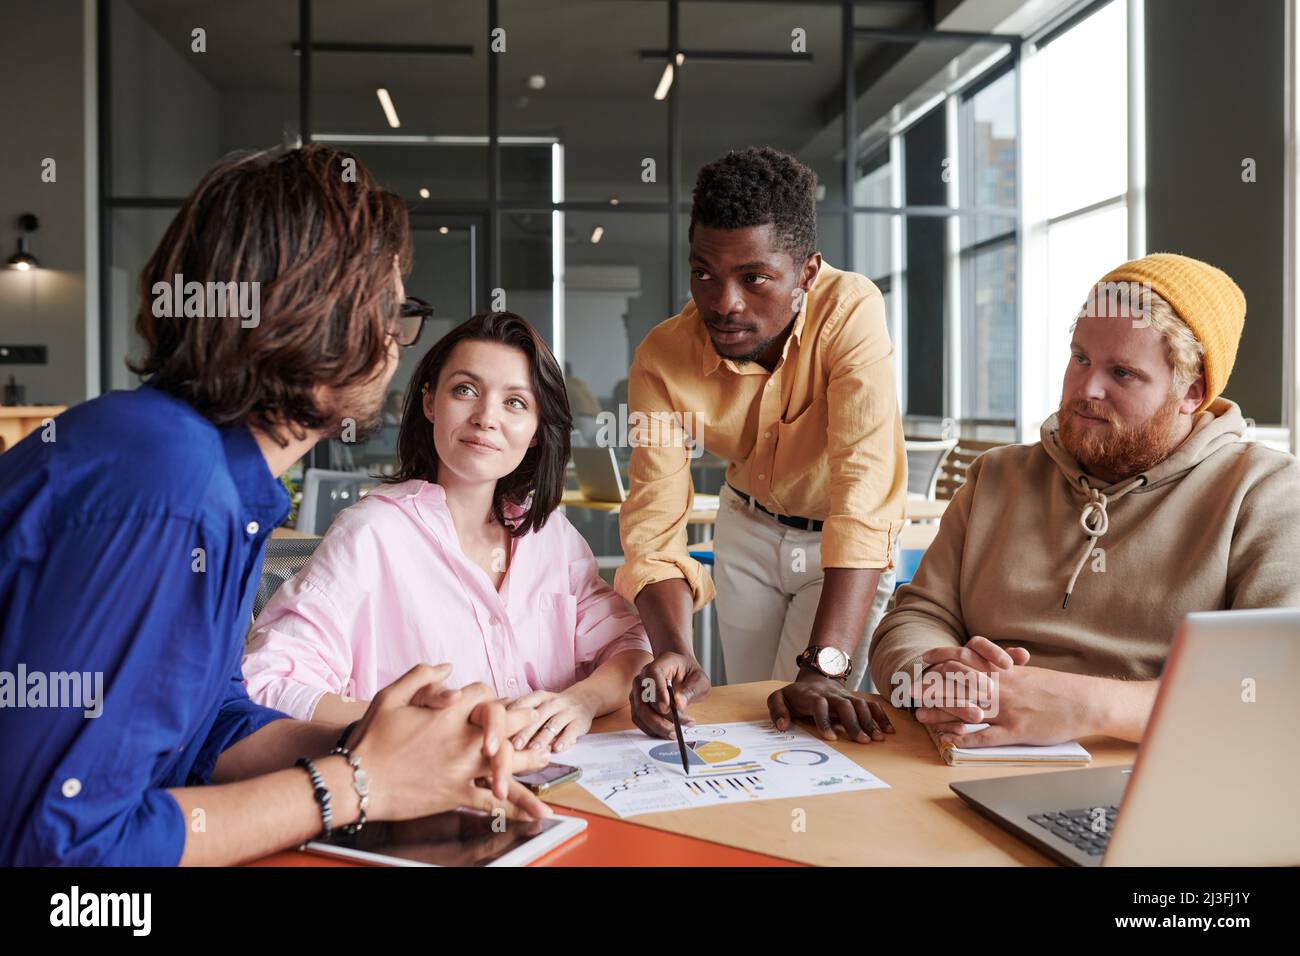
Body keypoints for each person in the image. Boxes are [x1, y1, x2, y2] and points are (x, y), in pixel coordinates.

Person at [0, 145, 548, 867]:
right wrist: (358, 783)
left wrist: (381, 746)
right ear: (319, 314)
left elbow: (207, 728)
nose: (396, 341)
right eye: (390, 309)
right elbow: (57, 850)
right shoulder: (167, 491)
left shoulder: (207, 473)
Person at [870, 253, 1300, 746]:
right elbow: (915, 617)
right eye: (1080, 359)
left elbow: (1274, 687)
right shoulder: (996, 476)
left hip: (1144, 775)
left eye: (1122, 373)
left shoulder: (1265, 492)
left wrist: (1085, 707)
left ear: (1191, 392)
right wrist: (935, 679)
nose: (1086, 388)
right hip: (965, 756)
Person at [243, 313, 652, 754]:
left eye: (515, 402)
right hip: (423, 800)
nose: (485, 418)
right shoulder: (371, 535)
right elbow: (267, 683)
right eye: (465, 390)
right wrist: (423, 723)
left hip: (561, 786)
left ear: (536, 432)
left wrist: (580, 702)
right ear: (429, 403)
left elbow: (631, 646)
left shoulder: (549, 533)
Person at [613, 146, 905, 743]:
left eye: (755, 278)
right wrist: (671, 652)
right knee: (755, 716)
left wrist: (825, 667)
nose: (724, 303)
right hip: (745, 528)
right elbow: (654, 523)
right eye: (704, 273)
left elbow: (864, 496)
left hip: (839, 548)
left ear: (808, 273)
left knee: (811, 721)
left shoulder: (851, 312)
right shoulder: (662, 358)